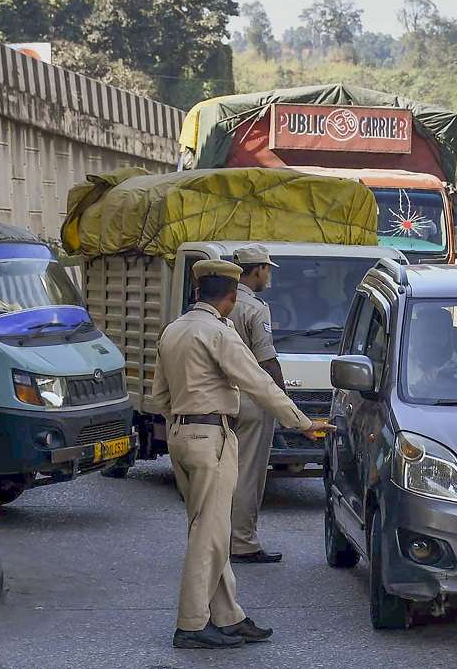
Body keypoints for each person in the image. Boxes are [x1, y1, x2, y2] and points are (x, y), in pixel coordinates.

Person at [149, 259, 332, 650]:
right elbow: (258, 383)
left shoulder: (173, 331)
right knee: (210, 534)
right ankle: (192, 623)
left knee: (209, 529)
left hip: (181, 435)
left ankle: (228, 616)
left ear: (198, 292)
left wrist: (183, 422)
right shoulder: (218, 332)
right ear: (231, 298)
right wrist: (302, 422)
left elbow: (159, 397)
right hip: (211, 436)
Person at [229, 245, 286, 565]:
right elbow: (267, 359)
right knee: (248, 474)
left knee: (223, 474)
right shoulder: (255, 308)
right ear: (258, 270)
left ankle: (219, 538)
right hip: (251, 399)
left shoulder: (219, 303)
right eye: (268, 269)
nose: (269, 275)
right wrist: (282, 400)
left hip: (220, 398)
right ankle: (243, 542)